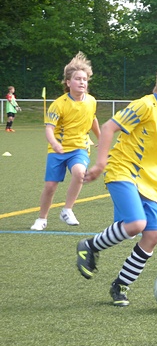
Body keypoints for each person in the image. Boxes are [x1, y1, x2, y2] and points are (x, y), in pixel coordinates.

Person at [78, 57, 157, 307]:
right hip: (124, 172)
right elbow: (109, 127)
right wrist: (100, 163)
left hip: (151, 184)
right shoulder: (145, 105)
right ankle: (89, 245)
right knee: (135, 224)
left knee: (153, 234)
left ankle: (121, 284)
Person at [30, 53, 101, 231]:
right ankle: (42, 218)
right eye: (77, 79)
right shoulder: (59, 104)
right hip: (58, 150)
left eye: (84, 79)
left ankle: (67, 209)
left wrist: (101, 138)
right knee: (50, 186)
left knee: (79, 173)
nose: (82, 82)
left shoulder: (91, 101)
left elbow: (93, 120)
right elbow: (49, 128)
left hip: (80, 147)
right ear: (68, 82)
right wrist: (54, 143)